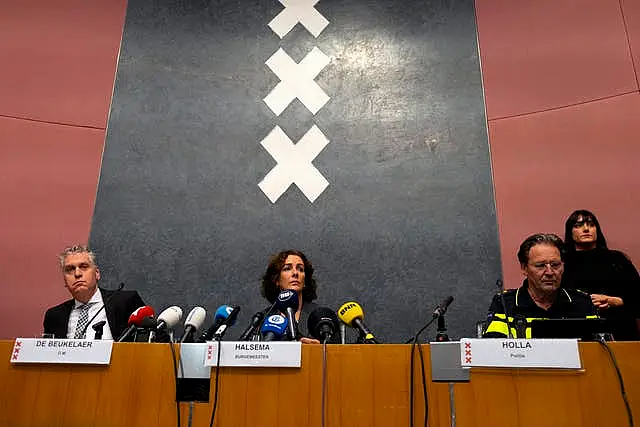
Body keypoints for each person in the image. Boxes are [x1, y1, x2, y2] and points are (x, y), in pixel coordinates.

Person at [483, 233, 598, 338]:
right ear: (524, 268)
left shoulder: (582, 302)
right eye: (540, 266)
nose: (549, 272)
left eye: (555, 265)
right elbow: (492, 352)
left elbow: (600, 353)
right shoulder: (505, 303)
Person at [562, 210, 640, 341]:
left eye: (591, 225)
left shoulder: (617, 260)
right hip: (578, 331)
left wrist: (615, 301)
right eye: (578, 225)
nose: (586, 229)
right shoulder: (562, 263)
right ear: (570, 232)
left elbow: (637, 296)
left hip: (619, 330)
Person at [43, 245, 145, 340]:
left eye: (83, 267)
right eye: (70, 269)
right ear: (64, 280)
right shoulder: (54, 316)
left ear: (97, 274)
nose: (77, 274)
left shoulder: (126, 302)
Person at [260, 249, 339, 344]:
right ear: (277, 280)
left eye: (300, 269)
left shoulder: (321, 316)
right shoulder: (263, 318)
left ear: (305, 281)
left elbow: (336, 350)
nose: (295, 273)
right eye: (287, 269)